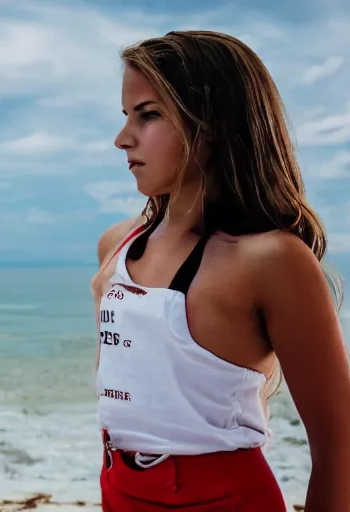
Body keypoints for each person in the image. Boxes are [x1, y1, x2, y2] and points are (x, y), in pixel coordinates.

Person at [91, 30, 349, 512]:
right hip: (119, 491)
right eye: (126, 116)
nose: (122, 138)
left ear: (210, 124)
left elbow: (339, 447)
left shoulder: (272, 260)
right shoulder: (117, 247)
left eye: (148, 115)